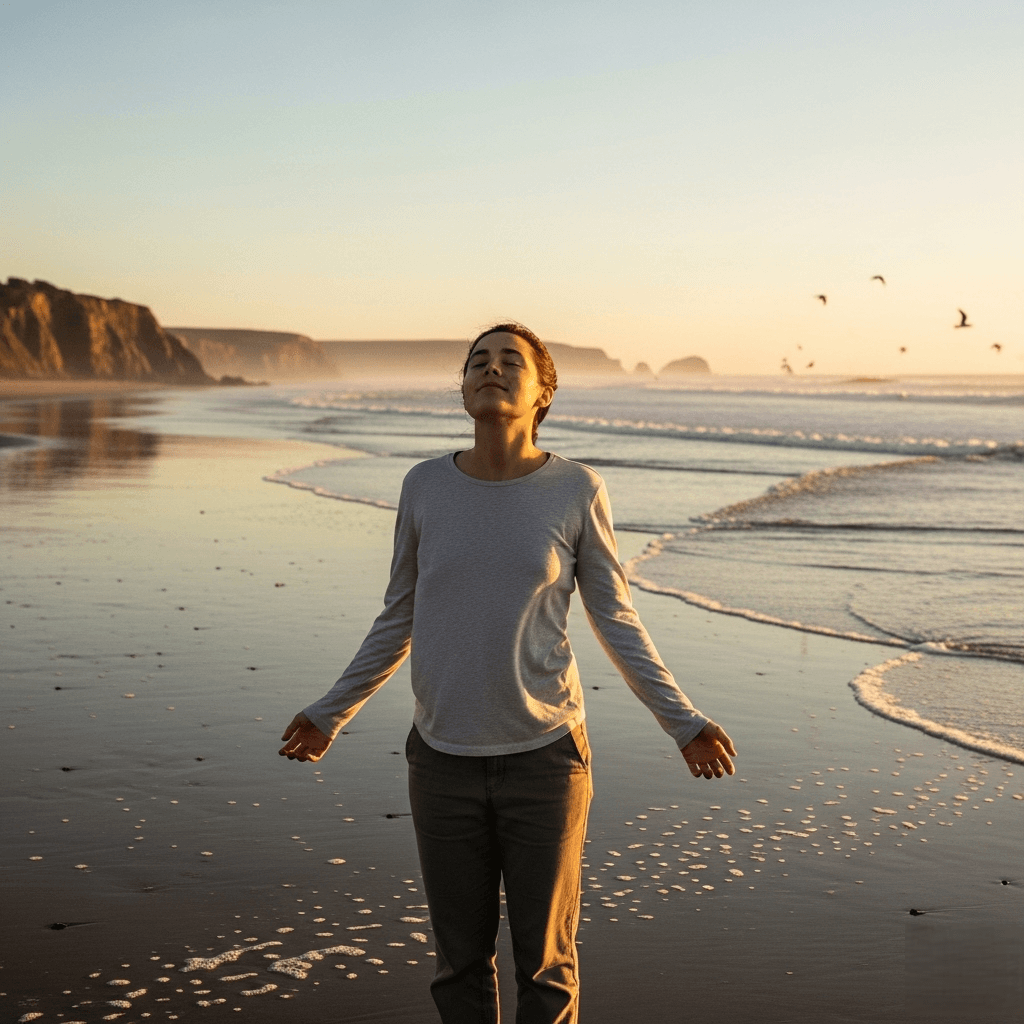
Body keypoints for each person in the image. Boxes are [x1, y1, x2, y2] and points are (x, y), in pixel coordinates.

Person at [279, 323, 737, 1024]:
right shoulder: (425, 485)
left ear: (543, 391)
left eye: (510, 361)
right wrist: (330, 710)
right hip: (441, 761)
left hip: (546, 761)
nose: (491, 370)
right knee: (458, 966)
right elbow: (399, 616)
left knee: (547, 968)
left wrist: (684, 721)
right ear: (463, 389)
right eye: (477, 362)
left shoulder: (576, 489)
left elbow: (616, 620)